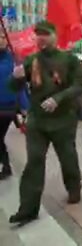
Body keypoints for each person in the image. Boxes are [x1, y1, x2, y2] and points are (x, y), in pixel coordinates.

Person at [9, 21, 82, 225]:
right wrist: (16, 77)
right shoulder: (31, 60)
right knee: (34, 162)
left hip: (63, 119)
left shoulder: (69, 59)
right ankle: (28, 208)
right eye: (38, 34)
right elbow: (13, 87)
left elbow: (79, 85)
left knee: (67, 157)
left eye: (45, 33)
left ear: (54, 35)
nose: (40, 38)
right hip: (37, 121)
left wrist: (58, 99)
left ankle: (73, 188)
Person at [0, 30, 29, 180]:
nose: (1, 40)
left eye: (3, 37)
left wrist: (26, 108)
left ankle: (6, 167)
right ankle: (5, 167)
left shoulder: (13, 60)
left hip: (8, 107)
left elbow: (21, 86)